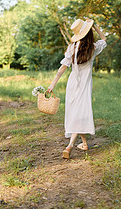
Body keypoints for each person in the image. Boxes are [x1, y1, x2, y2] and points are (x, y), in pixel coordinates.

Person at [47, 18, 107, 159]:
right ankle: (70, 146)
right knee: (79, 113)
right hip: (85, 84)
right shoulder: (93, 48)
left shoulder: (72, 47)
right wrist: (95, 25)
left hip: (73, 84)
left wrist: (52, 84)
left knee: (76, 112)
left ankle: (84, 143)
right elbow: (104, 38)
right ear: (88, 33)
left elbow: (63, 68)